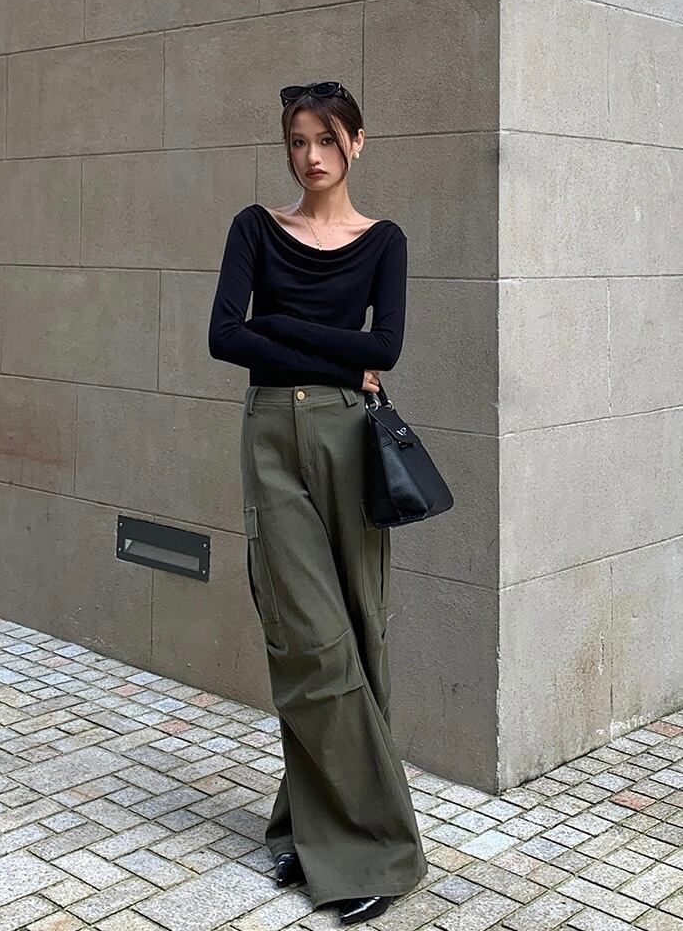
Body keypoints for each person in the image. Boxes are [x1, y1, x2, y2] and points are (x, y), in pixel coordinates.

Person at [208, 80, 428, 925]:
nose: (311, 156)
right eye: (298, 140)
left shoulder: (385, 241)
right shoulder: (254, 228)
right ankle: (369, 845)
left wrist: (280, 331)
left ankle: (315, 827)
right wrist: (341, 355)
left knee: (359, 631)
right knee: (308, 637)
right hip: (271, 436)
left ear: (357, 143)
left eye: (328, 140)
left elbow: (388, 347)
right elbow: (224, 337)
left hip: (348, 440)